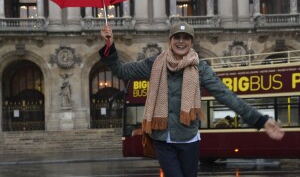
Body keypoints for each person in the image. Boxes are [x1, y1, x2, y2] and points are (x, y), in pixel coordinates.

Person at [99, 22, 284, 177]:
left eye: (185, 38)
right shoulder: (154, 63)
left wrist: (260, 119)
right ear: (170, 40)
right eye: (177, 37)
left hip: (188, 139)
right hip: (162, 139)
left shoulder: (200, 68)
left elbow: (226, 96)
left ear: (191, 42)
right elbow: (121, 71)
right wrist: (110, 45)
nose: (181, 41)